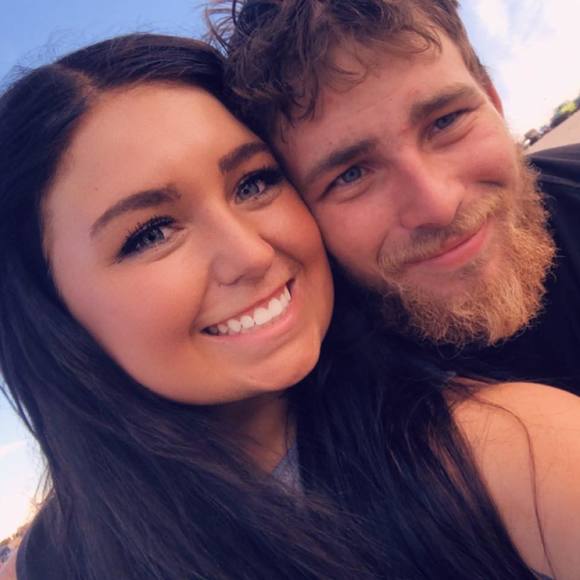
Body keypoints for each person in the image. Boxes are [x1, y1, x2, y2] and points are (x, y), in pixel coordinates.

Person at [1, 33, 580, 580]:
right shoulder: (54, 560)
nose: (251, 255)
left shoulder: (510, 450)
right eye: (152, 232)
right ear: (49, 315)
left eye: (253, 183)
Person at [210, 0, 580, 394]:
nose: (439, 207)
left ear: (493, 100)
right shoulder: (332, 403)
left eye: (447, 121)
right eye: (351, 175)